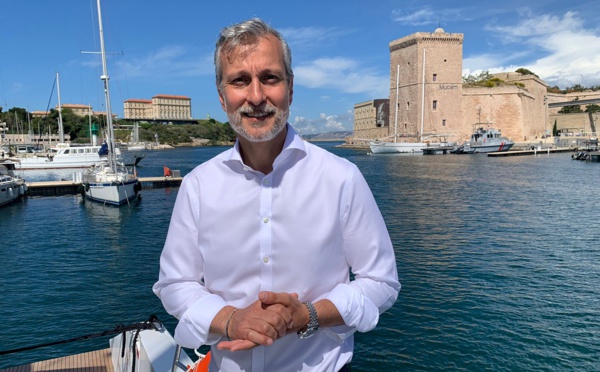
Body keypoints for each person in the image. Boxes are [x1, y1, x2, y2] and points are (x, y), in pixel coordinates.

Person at [153, 18, 400, 371]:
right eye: (240, 80)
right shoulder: (198, 186)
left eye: (270, 78)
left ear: (291, 88)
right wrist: (231, 320)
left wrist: (308, 315)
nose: (255, 97)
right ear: (222, 97)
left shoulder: (341, 178)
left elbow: (381, 282)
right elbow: (176, 283)